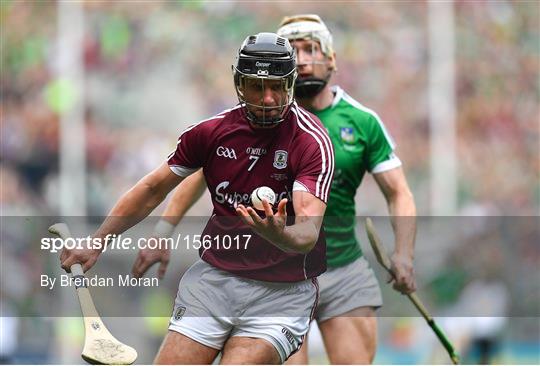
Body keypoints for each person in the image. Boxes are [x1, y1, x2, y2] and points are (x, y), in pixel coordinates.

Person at [139, 15, 417, 364]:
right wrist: (164, 229)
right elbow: (200, 175)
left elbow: (399, 192)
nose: (302, 59)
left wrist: (404, 255)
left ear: (331, 59)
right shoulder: (259, 117)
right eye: (294, 50)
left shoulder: (362, 122)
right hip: (276, 278)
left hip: (342, 270)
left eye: (310, 49)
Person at [60, 32, 334, 364]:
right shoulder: (209, 133)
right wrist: (97, 241)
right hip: (214, 282)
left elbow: (308, 232)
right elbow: (152, 189)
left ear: (291, 84)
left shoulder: (311, 141)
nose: (268, 98)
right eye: (256, 86)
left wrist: (281, 234)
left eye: (277, 86)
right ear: (238, 84)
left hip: (282, 294)